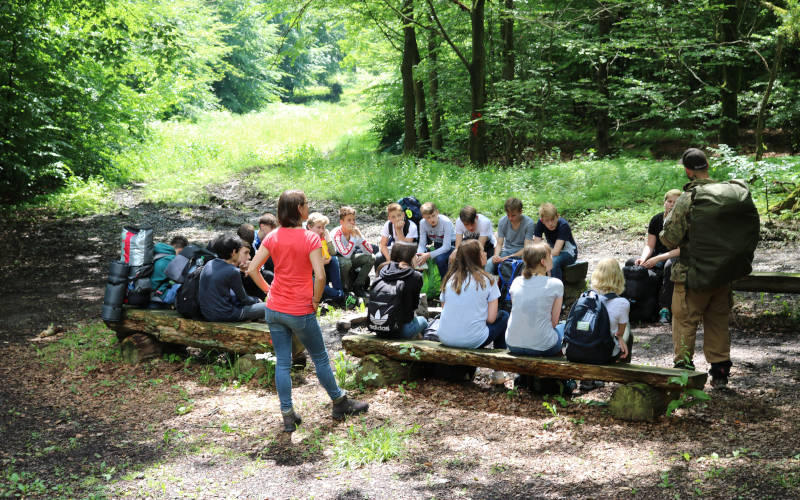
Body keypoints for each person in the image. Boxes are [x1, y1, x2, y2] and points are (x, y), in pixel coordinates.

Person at [248, 190, 368, 433]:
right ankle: (339, 402)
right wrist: (314, 302)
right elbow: (321, 276)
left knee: (283, 362)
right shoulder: (310, 239)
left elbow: (252, 269)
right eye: (306, 204)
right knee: (321, 357)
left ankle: (287, 414)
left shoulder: (272, 237)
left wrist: (269, 291)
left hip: (274, 309)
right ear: (298, 209)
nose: (308, 207)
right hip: (299, 309)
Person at [660, 148, 734, 387]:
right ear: (707, 166)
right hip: (722, 273)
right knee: (718, 321)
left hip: (691, 274)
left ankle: (684, 373)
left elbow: (670, 238)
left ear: (687, 170)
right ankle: (720, 373)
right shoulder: (725, 194)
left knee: (684, 320)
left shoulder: (686, 199)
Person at [437, 239, 509, 386]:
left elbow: (446, 310)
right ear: (477, 257)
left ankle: (465, 372)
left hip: (445, 336)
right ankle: (498, 372)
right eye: (483, 251)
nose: (485, 253)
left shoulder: (450, 279)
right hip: (472, 339)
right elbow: (491, 318)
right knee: (504, 316)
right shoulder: (488, 280)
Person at [505, 243, 565, 357]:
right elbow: (554, 323)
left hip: (513, 343)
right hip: (541, 346)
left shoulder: (516, 281)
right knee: (563, 327)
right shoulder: (556, 284)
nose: (552, 258)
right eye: (550, 256)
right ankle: (554, 374)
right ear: (543, 262)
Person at [633, 189, 682, 323]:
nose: (671, 205)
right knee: (633, 265)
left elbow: (681, 250)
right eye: (669, 201)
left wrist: (657, 259)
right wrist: (643, 258)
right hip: (658, 254)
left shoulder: (683, 222)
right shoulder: (656, 219)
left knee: (668, 267)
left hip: (675, 256)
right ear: (664, 202)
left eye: (675, 202)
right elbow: (650, 245)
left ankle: (665, 309)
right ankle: (641, 306)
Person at [198, 234, 266, 322]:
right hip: (226, 315)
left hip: (207, 314)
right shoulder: (232, 270)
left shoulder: (209, 263)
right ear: (234, 252)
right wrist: (257, 300)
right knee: (268, 306)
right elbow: (244, 299)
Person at [373, 241, 427, 339]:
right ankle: (421, 344)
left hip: (379, 328)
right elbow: (414, 306)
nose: (416, 258)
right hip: (401, 330)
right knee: (423, 321)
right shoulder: (415, 276)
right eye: (415, 255)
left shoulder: (383, 270)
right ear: (409, 258)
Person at [306, 212, 351, 307]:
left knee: (334, 259)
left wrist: (327, 237)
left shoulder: (321, 237)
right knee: (317, 281)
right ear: (309, 227)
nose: (321, 230)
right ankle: (341, 296)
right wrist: (320, 263)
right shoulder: (305, 240)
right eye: (318, 227)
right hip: (310, 275)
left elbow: (333, 252)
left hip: (323, 269)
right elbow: (304, 268)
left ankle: (339, 293)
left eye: (323, 227)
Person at [331, 206, 375, 298]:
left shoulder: (354, 232)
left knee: (371, 258)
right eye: (349, 220)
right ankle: (343, 289)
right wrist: (353, 238)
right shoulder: (336, 234)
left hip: (350, 256)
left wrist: (361, 236)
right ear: (341, 222)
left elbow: (369, 251)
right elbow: (346, 255)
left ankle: (358, 286)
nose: (352, 222)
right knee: (346, 263)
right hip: (337, 260)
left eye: (354, 220)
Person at [488, 197, 535, 274]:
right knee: (489, 265)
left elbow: (527, 248)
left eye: (513, 215)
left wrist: (510, 257)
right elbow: (499, 243)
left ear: (521, 212)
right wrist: (496, 255)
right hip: (507, 251)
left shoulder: (529, 223)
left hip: (523, 252)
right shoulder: (502, 221)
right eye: (508, 215)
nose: (510, 218)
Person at [533, 203, 578, 281]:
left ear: (557, 216)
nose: (550, 223)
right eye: (547, 221)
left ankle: (556, 289)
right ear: (542, 220)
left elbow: (556, 251)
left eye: (553, 219)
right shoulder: (540, 223)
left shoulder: (563, 225)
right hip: (550, 252)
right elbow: (536, 246)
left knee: (553, 261)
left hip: (568, 253)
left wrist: (543, 255)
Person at [413, 202, 455, 279]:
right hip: (437, 244)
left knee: (440, 259)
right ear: (423, 217)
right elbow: (422, 243)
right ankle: (424, 283)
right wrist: (419, 254)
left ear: (437, 212)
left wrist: (429, 255)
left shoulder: (446, 222)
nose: (432, 219)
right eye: (428, 218)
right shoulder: (422, 223)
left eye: (433, 216)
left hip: (451, 244)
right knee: (418, 259)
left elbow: (447, 246)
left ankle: (445, 282)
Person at [374, 202, 418, 271]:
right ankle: (379, 279)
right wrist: (389, 259)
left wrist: (398, 230)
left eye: (399, 215)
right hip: (395, 248)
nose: (397, 219)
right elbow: (383, 245)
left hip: (410, 250)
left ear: (403, 215)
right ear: (389, 218)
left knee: (409, 264)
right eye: (393, 217)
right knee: (378, 257)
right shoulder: (388, 225)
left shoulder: (411, 226)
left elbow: (406, 246)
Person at [150, 235, 188, 306]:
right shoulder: (172, 259)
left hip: (148, 291)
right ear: (180, 250)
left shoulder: (158, 252)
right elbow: (182, 278)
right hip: (158, 295)